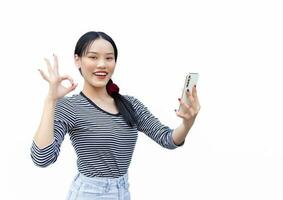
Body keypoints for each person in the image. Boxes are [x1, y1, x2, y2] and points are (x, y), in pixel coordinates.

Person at [30, 31, 201, 200]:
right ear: (77, 60)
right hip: (88, 194)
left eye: (109, 58)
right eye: (93, 57)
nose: (102, 64)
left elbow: (167, 139)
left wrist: (187, 123)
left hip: (122, 192)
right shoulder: (69, 107)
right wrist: (50, 100)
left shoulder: (130, 104)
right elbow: (42, 159)